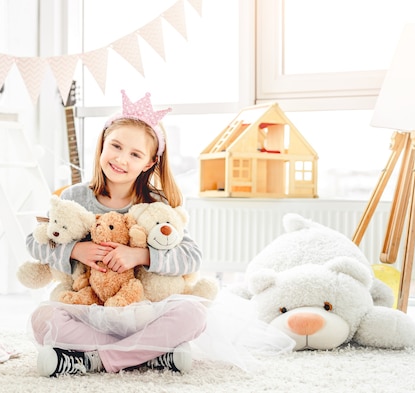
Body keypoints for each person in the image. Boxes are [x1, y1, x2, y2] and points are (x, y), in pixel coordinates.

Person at [25, 90, 293, 377]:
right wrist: (75, 250)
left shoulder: (155, 204)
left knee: (195, 314)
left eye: (135, 154)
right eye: (115, 146)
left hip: (142, 312)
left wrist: (140, 255)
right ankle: (145, 355)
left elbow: (191, 257)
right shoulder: (74, 196)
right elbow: (36, 242)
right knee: (43, 319)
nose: (121, 158)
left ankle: (97, 359)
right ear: (102, 144)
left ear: (149, 163)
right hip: (90, 310)